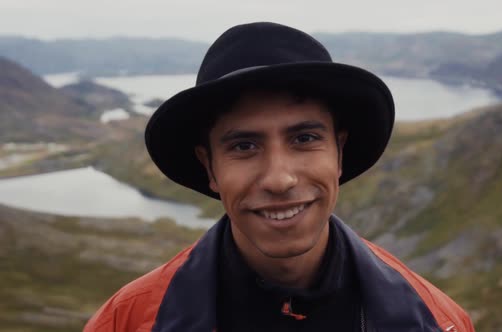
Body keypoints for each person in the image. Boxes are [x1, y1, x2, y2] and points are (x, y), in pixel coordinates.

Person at [84, 22, 475, 332]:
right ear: (210, 169)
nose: (279, 178)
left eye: (304, 138)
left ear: (339, 153)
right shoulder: (125, 323)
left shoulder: (439, 321)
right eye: (244, 146)